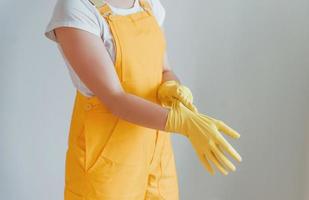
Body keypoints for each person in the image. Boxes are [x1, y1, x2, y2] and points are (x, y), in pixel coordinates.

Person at [44, 0, 242, 199]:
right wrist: (183, 123)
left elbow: (165, 70)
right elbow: (115, 99)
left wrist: (172, 87)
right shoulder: (77, 9)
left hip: (157, 154)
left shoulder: (148, 5)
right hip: (107, 163)